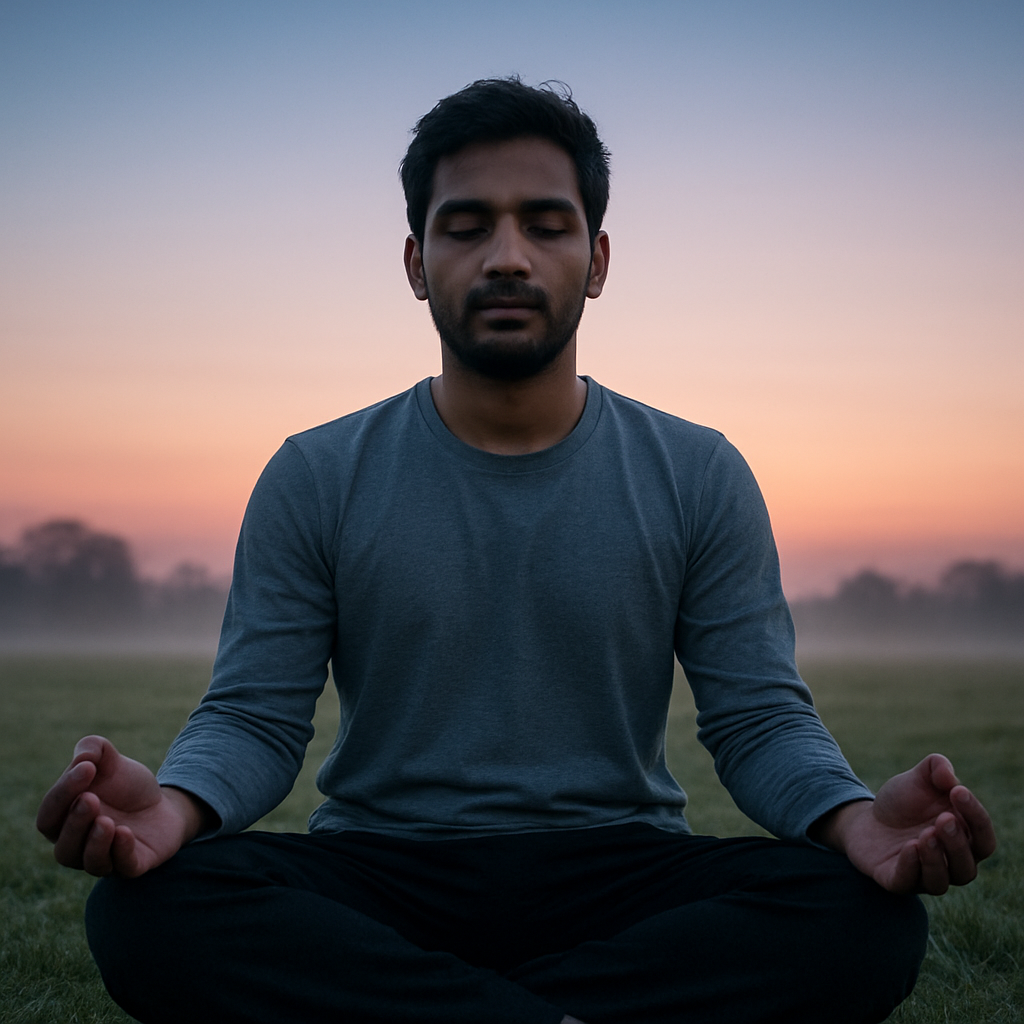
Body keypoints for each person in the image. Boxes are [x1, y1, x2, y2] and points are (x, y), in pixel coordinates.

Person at [37, 78, 995, 1024]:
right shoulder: (315, 473)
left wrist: (854, 819)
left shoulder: (698, 471)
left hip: (620, 868)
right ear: (416, 262)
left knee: (862, 917)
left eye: (545, 225)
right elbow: (255, 715)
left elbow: (757, 716)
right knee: (146, 911)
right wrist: (174, 808)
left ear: (597, 259)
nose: (506, 257)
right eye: (466, 228)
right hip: (383, 869)